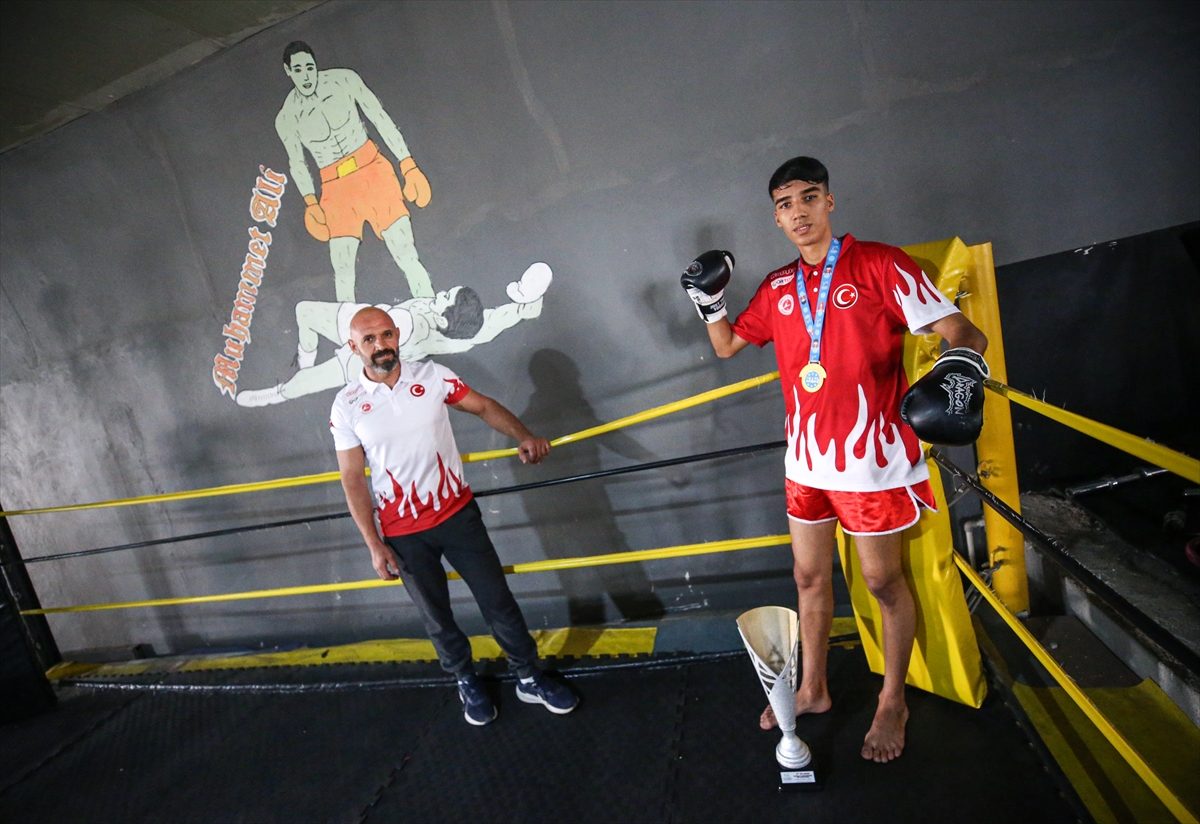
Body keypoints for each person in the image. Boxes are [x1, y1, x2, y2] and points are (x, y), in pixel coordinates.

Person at [680, 156, 987, 763]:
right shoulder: (777, 287)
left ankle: (892, 700)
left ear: (829, 202)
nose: (797, 212)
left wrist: (959, 373)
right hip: (806, 463)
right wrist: (707, 302)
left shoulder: (879, 264)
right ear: (776, 218)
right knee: (808, 578)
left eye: (808, 197)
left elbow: (964, 333)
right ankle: (813, 689)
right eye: (784, 204)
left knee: (881, 581)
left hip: (871, 460)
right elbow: (727, 345)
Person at [330, 306, 578, 725]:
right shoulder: (346, 405)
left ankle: (528, 676)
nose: (380, 345)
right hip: (403, 533)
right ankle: (465, 679)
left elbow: (483, 406)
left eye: (386, 335)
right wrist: (374, 544)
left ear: (397, 336)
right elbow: (352, 478)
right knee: (437, 616)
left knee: (498, 602)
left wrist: (523, 435)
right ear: (354, 348)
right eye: (369, 339)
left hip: (458, 516)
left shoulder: (432, 376)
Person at [236, 262, 552, 407]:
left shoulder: (411, 326)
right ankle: (305, 360)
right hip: (363, 318)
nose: (440, 293)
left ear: (443, 316)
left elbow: (382, 333)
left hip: (366, 350)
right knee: (304, 311)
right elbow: (498, 319)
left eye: (444, 297)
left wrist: (365, 340)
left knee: (303, 384)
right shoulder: (471, 331)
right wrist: (527, 299)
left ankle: (278, 393)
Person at [276, 41, 434, 302]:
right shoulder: (287, 117)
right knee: (343, 266)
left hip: (371, 170)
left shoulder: (344, 80)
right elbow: (298, 163)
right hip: (335, 187)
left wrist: (408, 164)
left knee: (405, 250)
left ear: (316, 65)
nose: (306, 76)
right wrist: (310, 202)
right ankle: (349, 324)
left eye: (310, 67)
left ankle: (429, 306)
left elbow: (379, 117)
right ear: (288, 71)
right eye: (299, 70)